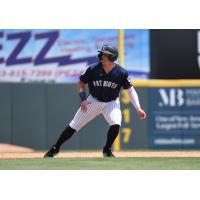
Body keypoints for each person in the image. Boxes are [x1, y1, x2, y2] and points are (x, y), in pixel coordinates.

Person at [44, 44, 146, 158]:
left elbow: (131, 91)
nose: (101, 56)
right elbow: (81, 83)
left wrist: (138, 108)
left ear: (112, 57)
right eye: (101, 53)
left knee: (116, 123)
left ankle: (107, 150)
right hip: (93, 101)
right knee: (74, 125)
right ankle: (55, 148)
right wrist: (83, 99)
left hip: (111, 103)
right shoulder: (93, 69)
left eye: (104, 54)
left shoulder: (121, 73)